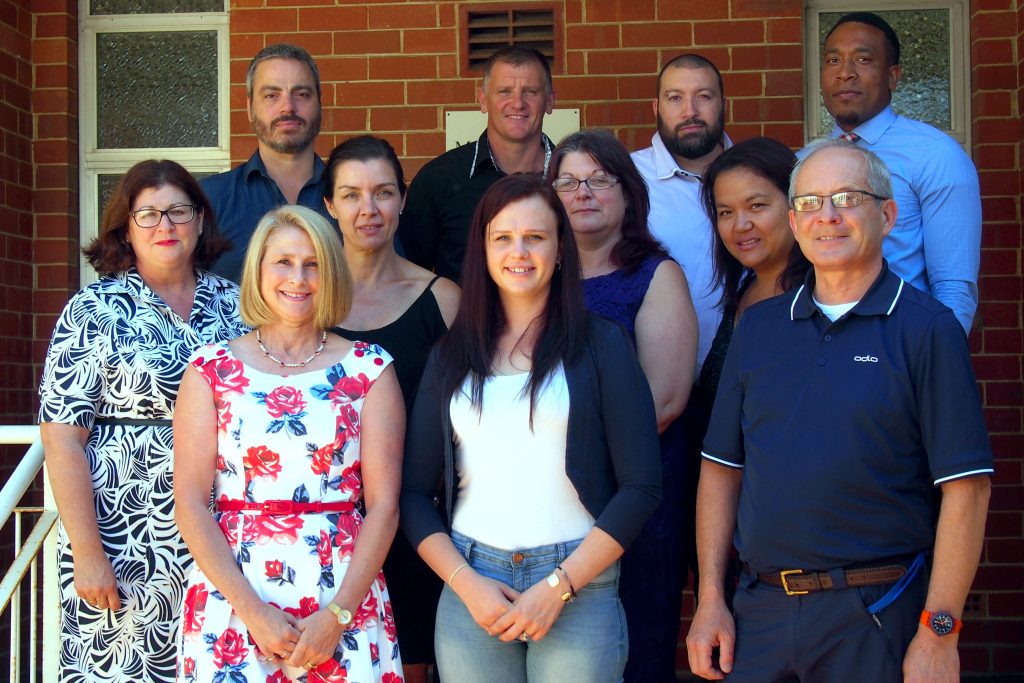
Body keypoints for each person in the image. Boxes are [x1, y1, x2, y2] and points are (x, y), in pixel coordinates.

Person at [687, 139, 993, 683]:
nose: (826, 217)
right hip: (761, 612)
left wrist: (939, 631)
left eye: (847, 198)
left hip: (875, 614)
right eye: (809, 203)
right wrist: (711, 597)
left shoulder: (927, 329)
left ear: (888, 215)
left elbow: (966, 490)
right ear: (795, 222)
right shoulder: (757, 329)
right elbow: (720, 468)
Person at [401, 174, 662, 682]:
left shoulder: (602, 345)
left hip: (578, 584)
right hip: (472, 584)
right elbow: (413, 493)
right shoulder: (451, 356)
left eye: (536, 237)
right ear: (483, 249)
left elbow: (642, 486)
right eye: (503, 237)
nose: (519, 251)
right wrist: (467, 585)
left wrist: (559, 587)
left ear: (560, 249)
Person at [173, 206, 404, 682]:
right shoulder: (210, 370)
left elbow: (384, 508)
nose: (298, 278)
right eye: (283, 262)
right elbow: (191, 505)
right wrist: (253, 612)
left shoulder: (370, 370)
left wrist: (337, 617)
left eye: (313, 263)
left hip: (341, 599)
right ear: (258, 269)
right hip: (235, 600)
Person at [38, 159, 247, 683]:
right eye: (148, 214)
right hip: (121, 535)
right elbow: (62, 440)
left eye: (179, 210)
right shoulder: (92, 310)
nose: (165, 225)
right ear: (125, 227)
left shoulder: (238, 306)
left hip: (221, 532)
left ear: (200, 221)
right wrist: (87, 552)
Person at [548, 129, 697, 683]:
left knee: (634, 636)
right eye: (567, 182)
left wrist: (577, 462)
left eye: (599, 180)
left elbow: (666, 399)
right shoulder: (536, 276)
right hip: (545, 495)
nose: (583, 192)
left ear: (629, 193)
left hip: (633, 493)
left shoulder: (657, 276)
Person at [324, 135, 460, 683]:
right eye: (351, 195)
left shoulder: (443, 299)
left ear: (403, 200)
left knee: (413, 668)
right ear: (329, 205)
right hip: (327, 525)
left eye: (382, 192)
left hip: (418, 521)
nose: (368, 209)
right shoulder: (306, 301)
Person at [812, 11, 981, 332]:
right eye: (833, 61)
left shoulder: (935, 154)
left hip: (902, 350)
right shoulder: (808, 160)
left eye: (862, 59)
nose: (845, 73)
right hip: (821, 350)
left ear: (893, 76)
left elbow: (954, 289)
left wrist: (935, 367)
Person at [398, 46, 557, 282]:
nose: (517, 103)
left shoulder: (572, 180)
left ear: (550, 101)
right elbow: (408, 277)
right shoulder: (438, 180)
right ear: (483, 100)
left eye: (530, 91)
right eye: (504, 91)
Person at [631, 53, 733, 373]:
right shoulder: (626, 180)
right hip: (656, 377)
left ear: (723, 104)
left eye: (703, 96)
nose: (690, 111)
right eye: (675, 98)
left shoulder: (759, 175)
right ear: (656, 108)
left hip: (753, 378)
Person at [203, 43, 335, 283]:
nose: (288, 107)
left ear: (319, 104)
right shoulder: (209, 200)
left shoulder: (353, 201)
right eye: (271, 95)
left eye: (301, 94)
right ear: (250, 108)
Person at [697, 137, 811, 402]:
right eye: (725, 212)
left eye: (756, 206)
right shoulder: (743, 291)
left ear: (794, 205)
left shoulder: (820, 300)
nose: (740, 225)